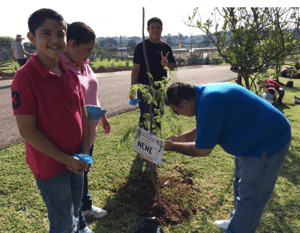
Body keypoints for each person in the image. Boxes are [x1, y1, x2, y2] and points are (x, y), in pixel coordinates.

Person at [163, 82, 291, 233]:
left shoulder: (209, 101)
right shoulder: (204, 96)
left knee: (251, 198)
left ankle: (238, 228)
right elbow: (203, 127)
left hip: (267, 141)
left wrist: (172, 146)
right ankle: (236, 221)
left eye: (176, 111)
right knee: (239, 183)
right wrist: (177, 139)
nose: (178, 115)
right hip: (251, 136)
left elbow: (202, 150)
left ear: (184, 103)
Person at [11, 8, 90, 233]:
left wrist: (83, 152)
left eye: (61, 34)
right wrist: (66, 159)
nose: (55, 40)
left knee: (75, 212)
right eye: (46, 33)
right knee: (63, 222)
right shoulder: (25, 78)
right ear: (32, 38)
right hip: (50, 165)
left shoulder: (70, 72)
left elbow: (82, 113)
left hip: (76, 159)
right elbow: (28, 131)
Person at [60, 22, 110, 233]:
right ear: (72, 44)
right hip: (74, 136)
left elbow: (91, 93)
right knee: (74, 178)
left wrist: (102, 117)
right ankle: (76, 221)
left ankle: (86, 206)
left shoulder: (84, 63)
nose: (89, 54)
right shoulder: (60, 67)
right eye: (87, 49)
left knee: (84, 172)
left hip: (89, 132)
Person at [130, 17, 177, 130]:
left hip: (160, 89)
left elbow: (174, 68)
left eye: (158, 27)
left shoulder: (166, 48)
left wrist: (166, 64)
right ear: (147, 29)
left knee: (157, 116)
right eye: (152, 27)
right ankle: (143, 145)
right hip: (144, 88)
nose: (155, 30)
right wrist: (132, 89)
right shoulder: (141, 47)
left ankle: (155, 144)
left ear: (161, 29)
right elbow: (135, 68)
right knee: (146, 117)